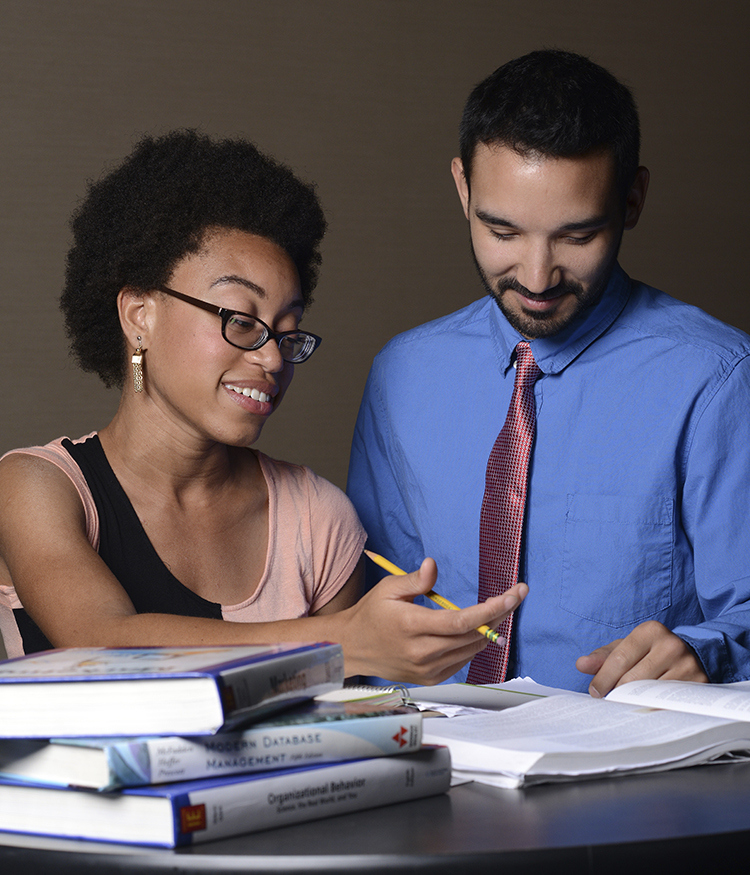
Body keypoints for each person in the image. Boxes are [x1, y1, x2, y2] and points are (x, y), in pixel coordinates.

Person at [0, 130, 525, 682]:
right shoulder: (37, 488)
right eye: (241, 321)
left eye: (288, 332)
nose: (273, 359)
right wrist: (342, 640)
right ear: (139, 316)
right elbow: (100, 644)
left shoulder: (318, 521)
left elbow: (331, 726)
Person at [347, 50, 750, 694]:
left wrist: (706, 652)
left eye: (577, 236)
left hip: (628, 774)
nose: (537, 278)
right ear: (463, 189)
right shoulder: (401, 373)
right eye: (502, 231)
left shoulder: (719, 379)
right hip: (437, 758)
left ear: (633, 200)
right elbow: (374, 599)